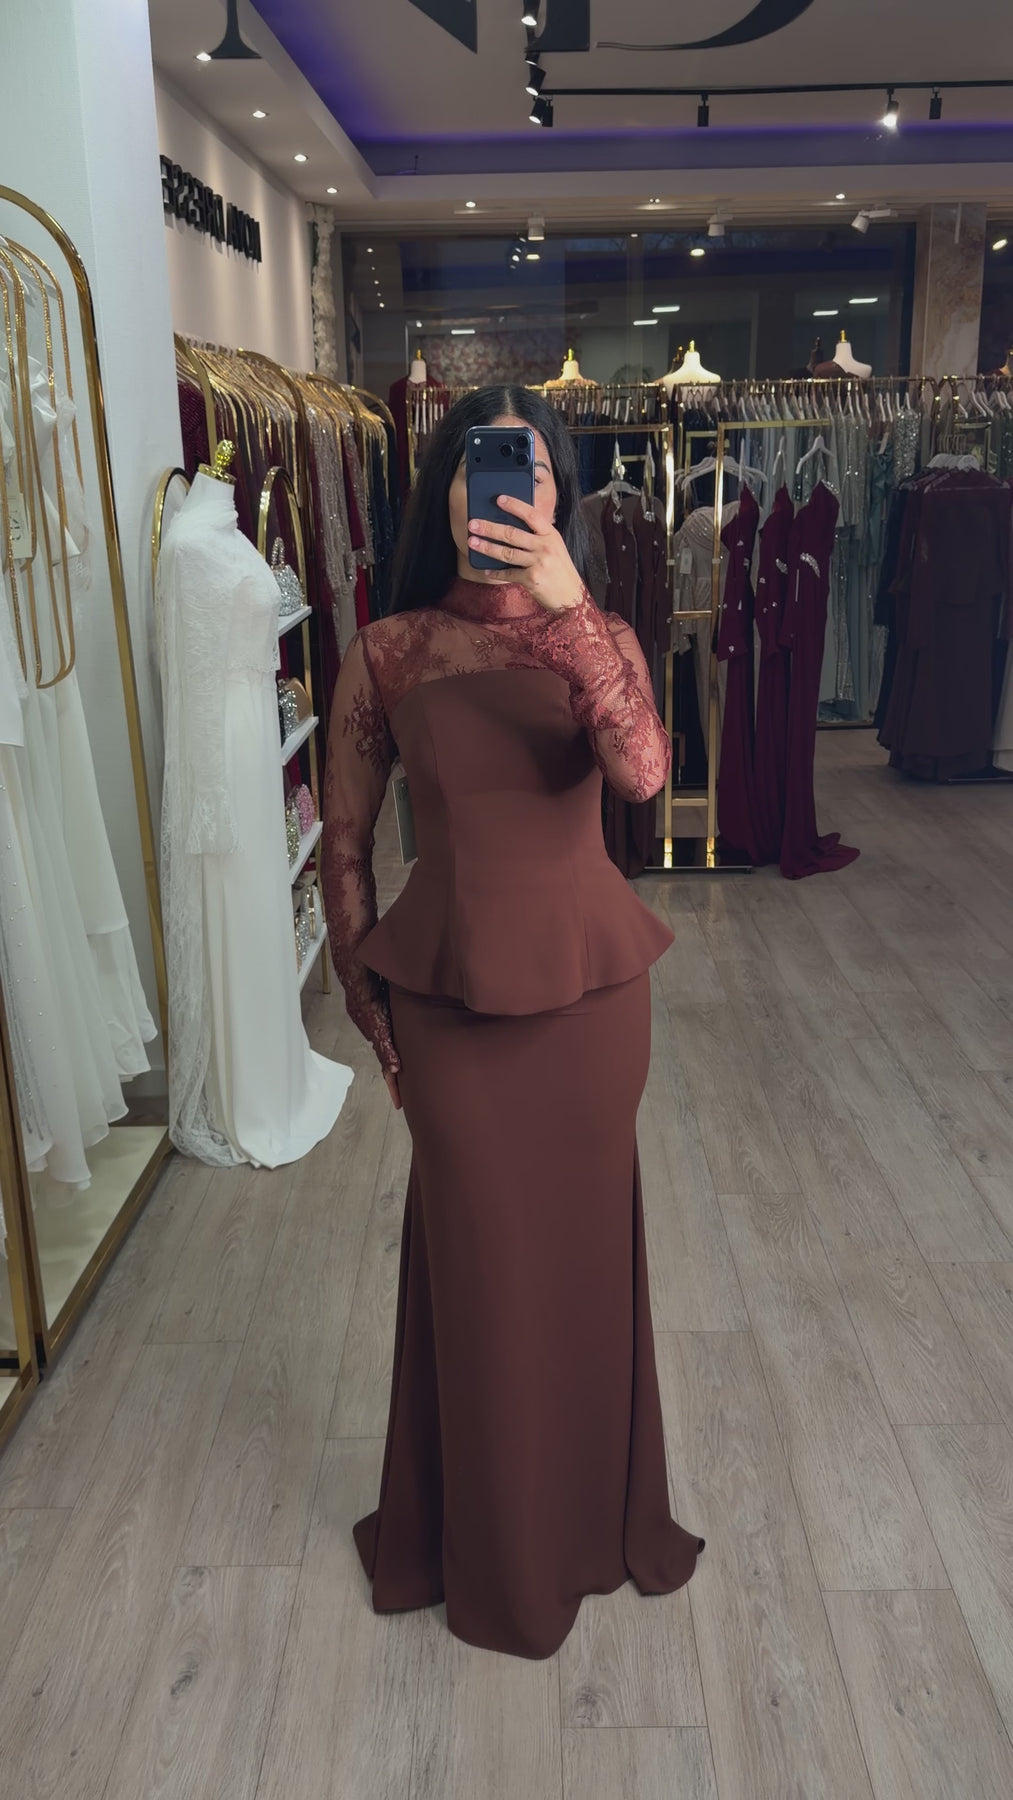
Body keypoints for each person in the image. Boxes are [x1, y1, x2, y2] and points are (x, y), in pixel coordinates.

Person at [321, 385, 705, 1660]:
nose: (505, 490)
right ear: (443, 491)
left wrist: (567, 609)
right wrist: (373, 1018)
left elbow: (642, 775)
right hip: (447, 1005)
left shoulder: (601, 635)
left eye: (531, 470)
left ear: (557, 495)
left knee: (582, 1265)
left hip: (593, 1004)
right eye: (482, 468)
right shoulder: (388, 651)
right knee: (479, 1272)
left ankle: (590, 1525)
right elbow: (343, 847)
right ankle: (486, 1548)